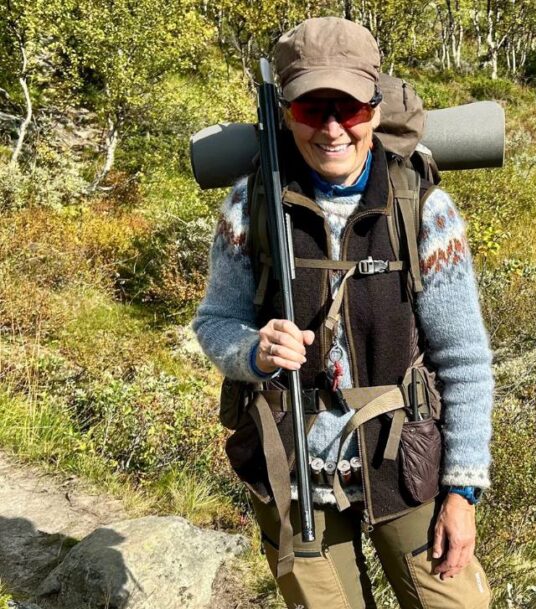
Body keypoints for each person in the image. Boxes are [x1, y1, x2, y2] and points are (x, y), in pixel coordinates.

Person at [191, 17, 494, 609]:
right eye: (311, 110)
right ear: (285, 113)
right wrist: (252, 351)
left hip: (405, 463)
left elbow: (465, 360)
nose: (332, 129)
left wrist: (462, 494)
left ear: (375, 110)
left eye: (349, 109)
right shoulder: (248, 205)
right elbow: (215, 322)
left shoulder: (422, 210)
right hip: (292, 468)